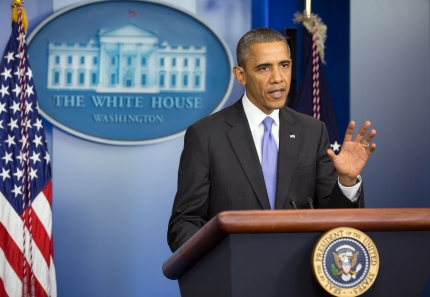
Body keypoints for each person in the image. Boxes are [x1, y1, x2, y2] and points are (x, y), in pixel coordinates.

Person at [167, 28, 376, 253]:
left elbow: (334, 221)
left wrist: (346, 182)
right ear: (241, 75)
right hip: (235, 275)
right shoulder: (206, 135)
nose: (278, 78)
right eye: (264, 68)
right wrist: (221, 260)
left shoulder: (312, 131)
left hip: (300, 275)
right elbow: (184, 223)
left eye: (284, 65)